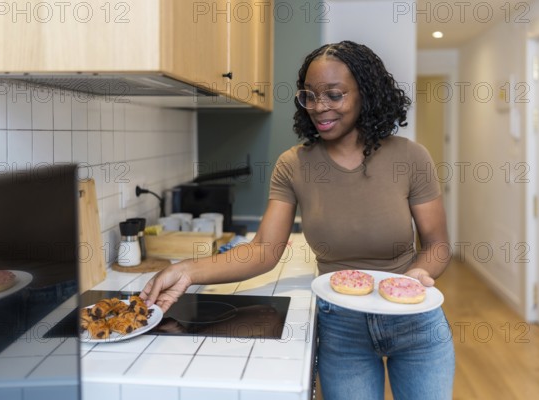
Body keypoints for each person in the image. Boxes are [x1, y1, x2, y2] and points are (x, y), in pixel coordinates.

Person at [141, 40, 454, 400]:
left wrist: (415, 278)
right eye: (309, 95)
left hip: (413, 320)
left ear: (366, 94)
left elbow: (437, 244)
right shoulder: (294, 164)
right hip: (342, 324)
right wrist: (187, 271)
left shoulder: (411, 158)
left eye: (334, 95)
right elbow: (262, 251)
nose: (319, 108)